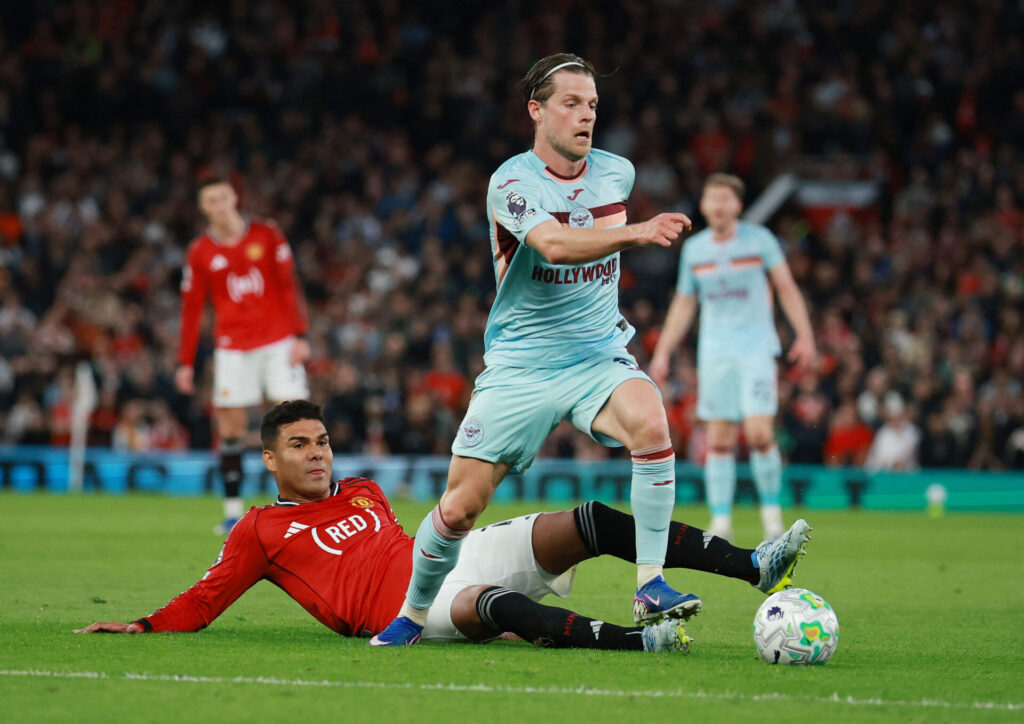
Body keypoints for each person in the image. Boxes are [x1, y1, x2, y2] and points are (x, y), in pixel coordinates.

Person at [372, 53, 700, 646]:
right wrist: (637, 232)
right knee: (459, 509)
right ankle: (413, 615)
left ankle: (651, 581)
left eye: (593, 105)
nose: (586, 115)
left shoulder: (616, 173)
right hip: (521, 366)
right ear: (536, 110)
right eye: (571, 103)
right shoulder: (511, 182)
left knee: (652, 425)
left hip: (596, 355)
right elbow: (552, 245)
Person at [74, 400, 812, 653]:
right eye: (300, 446)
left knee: (590, 521)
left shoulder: (362, 490)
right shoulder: (259, 531)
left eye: (323, 441)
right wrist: (143, 625)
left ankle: (754, 565)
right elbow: (207, 599)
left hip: (444, 556)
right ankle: (640, 642)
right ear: (269, 459)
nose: (317, 455)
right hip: (407, 614)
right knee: (489, 608)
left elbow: (398, 544)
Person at [650, 174, 816, 542]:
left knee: (759, 434)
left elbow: (786, 287)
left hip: (756, 349)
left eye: (726, 198)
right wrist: (662, 352)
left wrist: (804, 334)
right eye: (712, 199)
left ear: (738, 206)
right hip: (716, 354)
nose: (719, 205)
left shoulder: (760, 241)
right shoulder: (695, 251)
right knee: (720, 439)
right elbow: (683, 303)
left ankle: (772, 516)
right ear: (704, 206)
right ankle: (721, 521)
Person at [176, 177, 311, 535]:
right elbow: (192, 310)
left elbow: (288, 284)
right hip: (233, 348)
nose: (219, 204)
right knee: (231, 427)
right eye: (210, 200)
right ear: (204, 208)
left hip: (278, 341)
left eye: (223, 196)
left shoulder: (267, 234)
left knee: (294, 421)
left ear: (234, 197)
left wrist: (300, 334)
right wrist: (185, 362)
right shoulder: (201, 251)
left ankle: (302, 505)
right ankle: (233, 512)